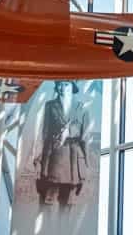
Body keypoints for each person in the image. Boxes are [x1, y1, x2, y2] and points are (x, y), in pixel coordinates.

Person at [35, 81, 91, 210]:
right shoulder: (50, 106)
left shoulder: (82, 108)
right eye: (59, 84)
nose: (62, 87)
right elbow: (45, 133)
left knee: (68, 201)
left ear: (72, 87)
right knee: (49, 198)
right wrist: (41, 160)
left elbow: (85, 138)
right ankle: (47, 228)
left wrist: (87, 163)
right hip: (54, 154)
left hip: (73, 156)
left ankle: (64, 226)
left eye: (66, 84)